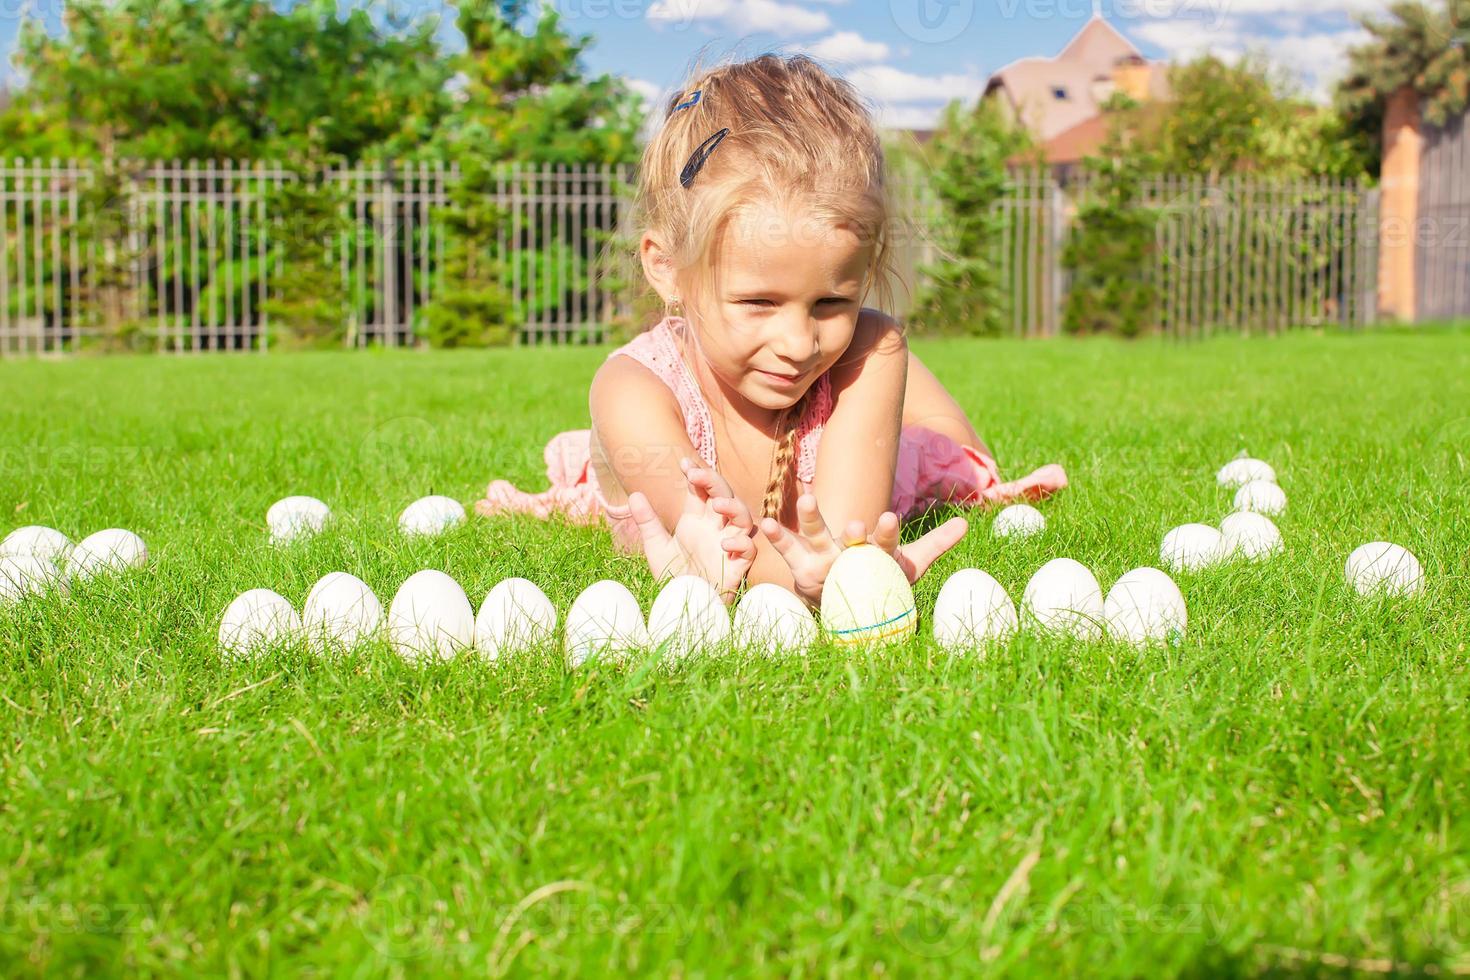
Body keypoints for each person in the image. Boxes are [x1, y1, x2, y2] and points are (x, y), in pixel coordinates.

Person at [477, 54, 1067, 607]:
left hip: (864, 421)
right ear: (666, 268)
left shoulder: (864, 347)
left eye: (832, 300)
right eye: (759, 301)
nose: (799, 343)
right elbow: (720, 554)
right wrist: (748, 566)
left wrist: (837, 571)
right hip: (661, 428)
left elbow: (841, 540)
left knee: (950, 452)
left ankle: (906, 390)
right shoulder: (631, 390)